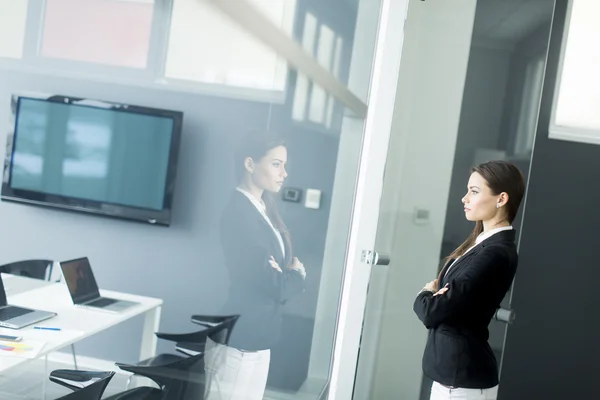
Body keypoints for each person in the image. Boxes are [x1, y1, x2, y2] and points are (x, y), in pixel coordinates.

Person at [204, 131, 307, 400]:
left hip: (258, 340)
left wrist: (284, 275)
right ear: (250, 164)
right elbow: (277, 286)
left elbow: (276, 279)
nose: (284, 173)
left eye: (285, 165)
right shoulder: (240, 214)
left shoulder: (262, 208)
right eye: (276, 164)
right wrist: (296, 273)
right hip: (238, 341)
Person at [413, 160, 525, 400]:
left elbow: (433, 311)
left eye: (474, 192)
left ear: (501, 199)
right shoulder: (481, 243)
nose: (464, 199)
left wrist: (426, 293)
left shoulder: (494, 252)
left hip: (462, 382)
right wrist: (438, 297)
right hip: (452, 378)